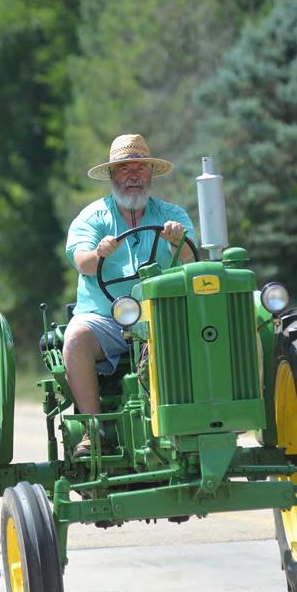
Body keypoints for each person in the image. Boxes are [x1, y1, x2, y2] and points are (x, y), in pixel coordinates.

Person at [64, 134, 198, 457]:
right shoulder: (92, 218)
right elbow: (82, 263)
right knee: (76, 337)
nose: (133, 175)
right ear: (112, 175)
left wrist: (175, 243)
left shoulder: (173, 216)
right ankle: (93, 430)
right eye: (125, 169)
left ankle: (199, 420)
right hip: (107, 318)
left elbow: (193, 262)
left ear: (151, 174)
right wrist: (100, 253)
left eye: (140, 168)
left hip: (162, 317)